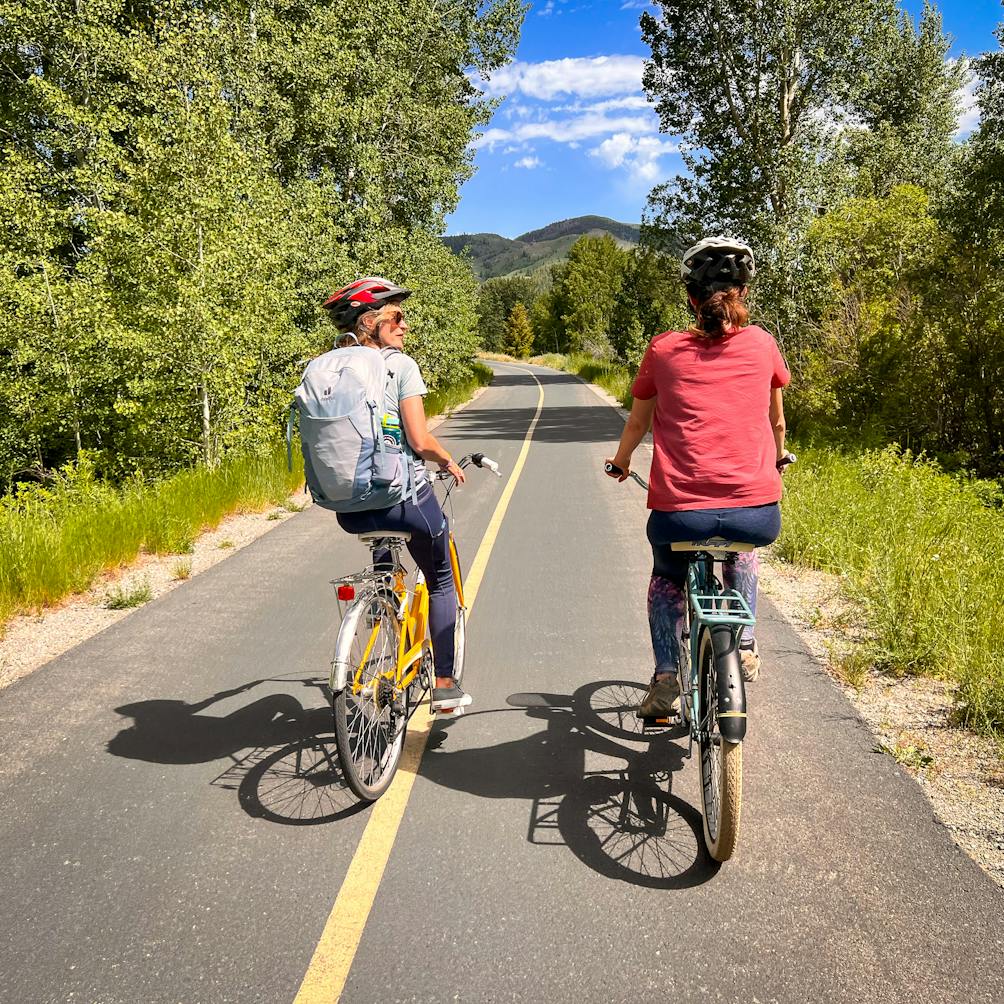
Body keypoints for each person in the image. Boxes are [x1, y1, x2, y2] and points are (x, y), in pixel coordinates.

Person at [605, 238, 791, 719]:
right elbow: (776, 424)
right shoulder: (763, 344)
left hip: (679, 516)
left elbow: (637, 423)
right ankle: (745, 642)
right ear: (743, 293)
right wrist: (778, 457)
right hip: (756, 514)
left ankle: (666, 675)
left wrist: (623, 462)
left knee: (667, 576)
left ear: (691, 297)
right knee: (741, 551)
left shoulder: (664, 349)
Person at [322, 277, 471, 713]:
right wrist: (448, 460)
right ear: (371, 323)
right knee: (440, 573)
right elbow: (420, 440)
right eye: (396, 317)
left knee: (384, 532)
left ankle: (383, 599)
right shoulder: (400, 366)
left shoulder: (330, 366)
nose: (405, 325)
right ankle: (445, 684)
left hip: (348, 508)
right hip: (401, 497)